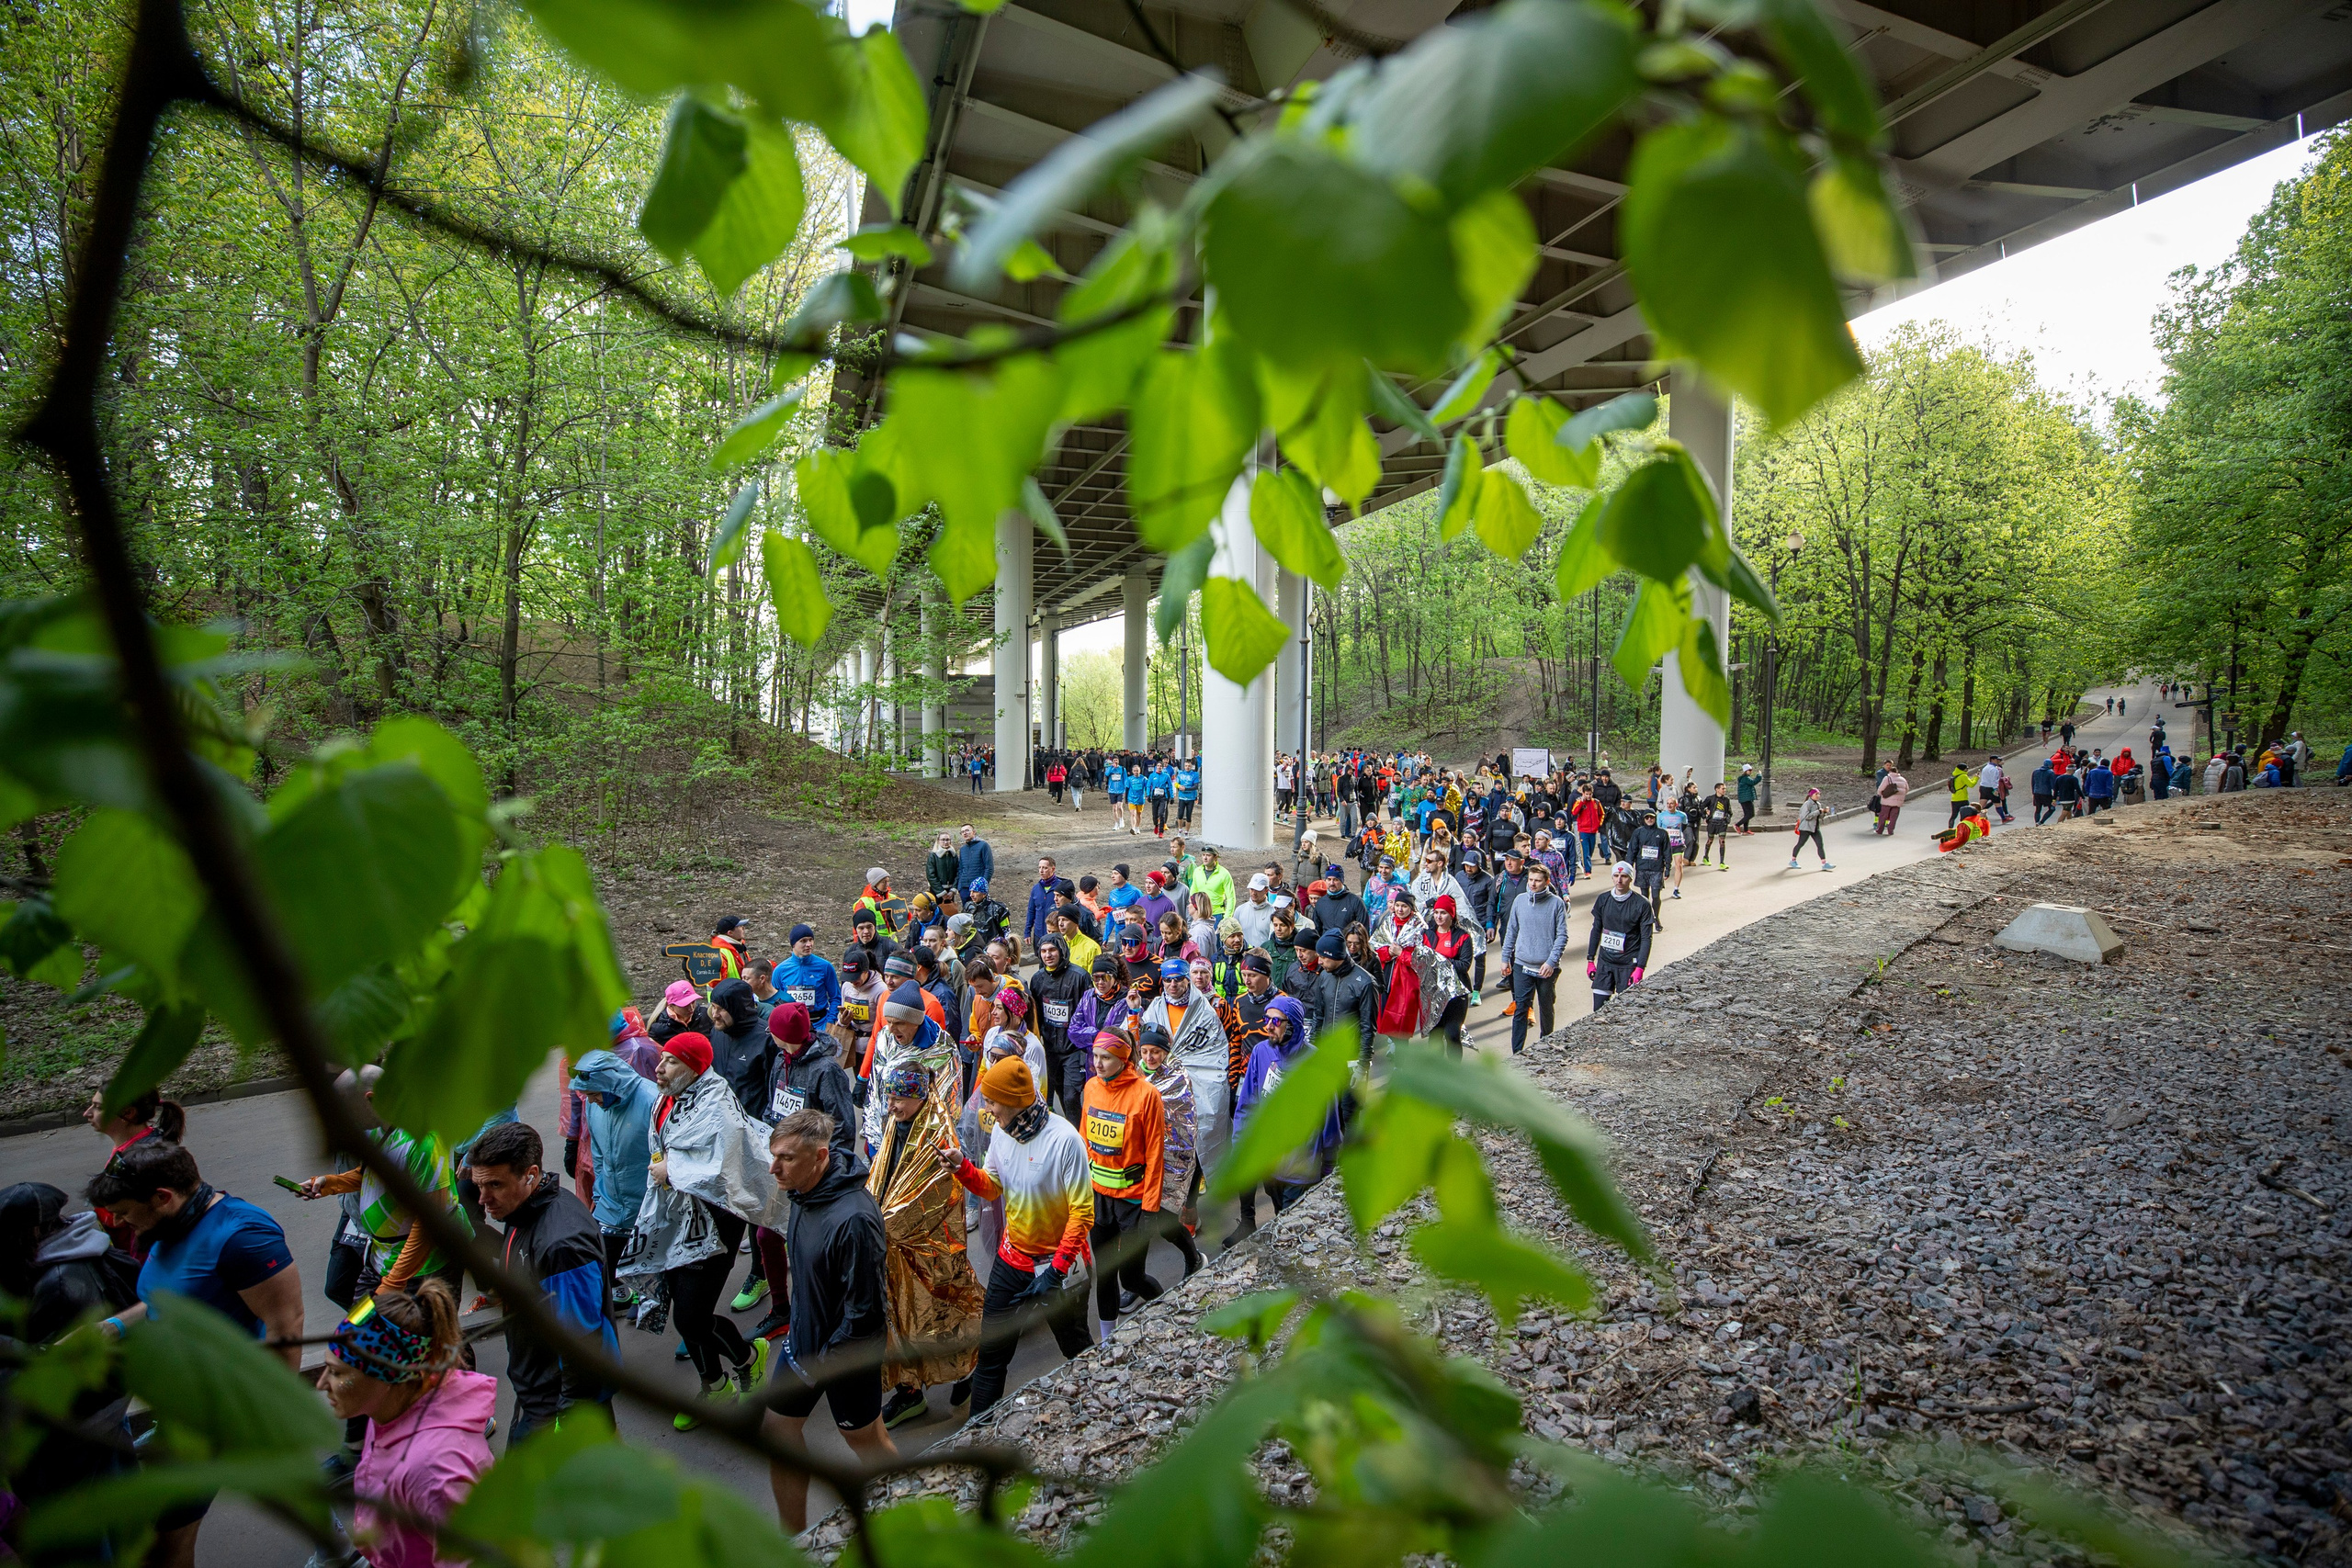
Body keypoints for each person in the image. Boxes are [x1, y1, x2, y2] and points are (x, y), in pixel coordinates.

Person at [624, 1036, 777, 1428]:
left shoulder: (717, 1105)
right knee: (684, 1312)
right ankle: (714, 1386)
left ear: (694, 1068)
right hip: (675, 1219)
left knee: (692, 1317)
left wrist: (671, 1172)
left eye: (671, 1062)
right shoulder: (669, 1097)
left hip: (714, 1225)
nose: (659, 1068)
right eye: (661, 1059)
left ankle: (748, 1360)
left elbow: (723, 1168)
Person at [764, 1109, 897, 1530]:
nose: (774, 1168)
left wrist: (826, 1362)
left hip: (844, 1357)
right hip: (804, 1342)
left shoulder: (854, 1219)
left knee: (868, 1443)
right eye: (774, 1156)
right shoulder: (803, 1190)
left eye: (786, 1158)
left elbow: (866, 1314)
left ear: (821, 1156)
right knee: (778, 1434)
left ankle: (915, 1519)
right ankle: (793, 1542)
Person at [943, 1055, 1095, 1416]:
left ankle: (1101, 1413)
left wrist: (1056, 1273)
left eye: (992, 1102)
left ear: (1013, 1101)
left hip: (1059, 1269)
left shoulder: (1065, 1140)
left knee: (1078, 1351)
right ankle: (978, 1435)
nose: (987, 1108)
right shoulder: (1001, 1131)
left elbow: (1082, 1212)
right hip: (1012, 1263)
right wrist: (962, 1168)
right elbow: (993, 1187)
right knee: (991, 1357)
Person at [320, 1281, 496, 1568]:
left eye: (337, 1373)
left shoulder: (436, 1470)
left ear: (386, 1378)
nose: (322, 1384)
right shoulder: (390, 1413)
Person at [0, 1181, 141, 1533]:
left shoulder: (62, 1284)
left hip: (79, 1431)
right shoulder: (81, 1247)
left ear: (30, 1232)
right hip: (106, 1413)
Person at [463, 1122, 617, 1441]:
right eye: (479, 1186)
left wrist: (566, 1420)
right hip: (538, 1390)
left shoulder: (561, 1245)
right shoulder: (523, 1210)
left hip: (556, 1405)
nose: (483, 1200)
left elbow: (582, 1344)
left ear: (530, 1175)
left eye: (494, 1185)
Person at [1080, 1029, 1167, 1339]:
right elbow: (1084, 1141)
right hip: (1098, 1199)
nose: (1098, 1064)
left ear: (1123, 1058)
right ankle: (1107, 1342)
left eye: (1106, 1058)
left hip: (1133, 1202)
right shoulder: (1091, 1088)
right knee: (1105, 1275)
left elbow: (1156, 1153)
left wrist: (1150, 1207)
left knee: (1131, 1279)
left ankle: (1168, 1314)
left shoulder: (1147, 1095)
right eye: (1095, 1057)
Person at [1232, 995, 1341, 1213]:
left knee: (1291, 1224)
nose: (1269, 1027)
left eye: (1276, 1021)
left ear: (1292, 1025)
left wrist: (1329, 1164)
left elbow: (1329, 1118)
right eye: (1266, 1019)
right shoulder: (1260, 1052)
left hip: (1301, 1166)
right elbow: (1247, 1104)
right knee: (1277, 1215)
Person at [1144, 957, 1232, 1185]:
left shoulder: (1205, 1011)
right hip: (1164, 1082)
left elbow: (1215, 1050)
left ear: (1187, 981)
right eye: (1168, 981)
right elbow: (1143, 1047)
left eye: (1179, 980)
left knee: (1199, 1132)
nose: (1173, 985)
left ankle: (1197, 1180)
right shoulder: (1155, 1008)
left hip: (1198, 1081)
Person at [80, 1086, 185, 1259]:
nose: (87, 1113)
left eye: (98, 1107)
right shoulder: (136, 1147)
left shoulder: (143, 1160)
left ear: (128, 1114)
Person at [1135, 1023, 1204, 1276]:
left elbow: (1183, 1127)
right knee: (1135, 1224)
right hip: (1137, 1159)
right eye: (1144, 1051)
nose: (1149, 1058)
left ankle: (1193, 1257)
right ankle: (1136, 1279)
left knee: (1164, 1224)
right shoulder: (1134, 1073)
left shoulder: (1177, 1078)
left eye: (1155, 1052)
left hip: (1167, 1160)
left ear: (1165, 1052)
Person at [1497, 862, 1568, 1054]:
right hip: (1522, 964)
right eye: (1530, 880)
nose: (1533, 884)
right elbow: (1511, 931)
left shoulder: (1556, 904)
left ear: (1546, 882)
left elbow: (1562, 936)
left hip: (1546, 967)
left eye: (1538, 881)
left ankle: (1546, 1045)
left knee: (1546, 1007)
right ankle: (1517, 1052)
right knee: (1521, 1008)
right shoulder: (1520, 901)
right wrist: (1505, 959)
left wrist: (1551, 962)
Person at [1586, 863, 1655, 1011]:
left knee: (1626, 1011)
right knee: (1598, 1011)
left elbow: (1646, 938)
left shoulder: (1642, 904)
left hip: (1628, 964)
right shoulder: (1603, 900)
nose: (1619, 880)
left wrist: (1640, 968)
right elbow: (1596, 930)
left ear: (1630, 879)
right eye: (1616, 876)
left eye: (1624, 876)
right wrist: (1590, 960)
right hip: (1605, 962)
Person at [771, 925, 842, 1036]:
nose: (809, 944)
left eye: (811, 940)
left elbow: (836, 997)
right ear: (793, 944)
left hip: (820, 1024)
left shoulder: (825, 967)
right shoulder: (780, 971)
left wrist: (829, 1022)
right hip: (793, 1026)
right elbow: (775, 1000)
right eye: (803, 941)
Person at [1790, 787, 1833, 869]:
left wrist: (1824, 812)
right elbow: (1806, 817)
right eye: (1816, 794)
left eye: (1819, 794)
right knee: (1800, 844)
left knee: (1820, 844)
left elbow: (1820, 817)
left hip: (1815, 828)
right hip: (1806, 828)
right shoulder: (1807, 804)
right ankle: (1793, 860)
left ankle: (1824, 863)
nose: (1818, 795)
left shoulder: (1818, 804)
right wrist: (1818, 811)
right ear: (1811, 795)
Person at [956, 824, 995, 897]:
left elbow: (989, 868)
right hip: (964, 888)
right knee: (967, 909)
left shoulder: (983, 845)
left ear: (974, 832)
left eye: (967, 830)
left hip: (978, 889)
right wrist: (960, 886)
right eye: (962, 832)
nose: (965, 833)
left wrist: (983, 885)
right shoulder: (963, 849)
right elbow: (960, 868)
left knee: (980, 909)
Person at [1734, 763, 1758, 834]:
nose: (1751, 771)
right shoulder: (1746, 778)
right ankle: (1737, 825)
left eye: (1751, 770)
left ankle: (1746, 830)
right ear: (1746, 771)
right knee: (1751, 814)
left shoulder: (1743, 778)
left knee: (1747, 814)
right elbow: (1754, 782)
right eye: (1749, 770)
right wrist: (1759, 776)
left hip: (1744, 799)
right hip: (1746, 799)